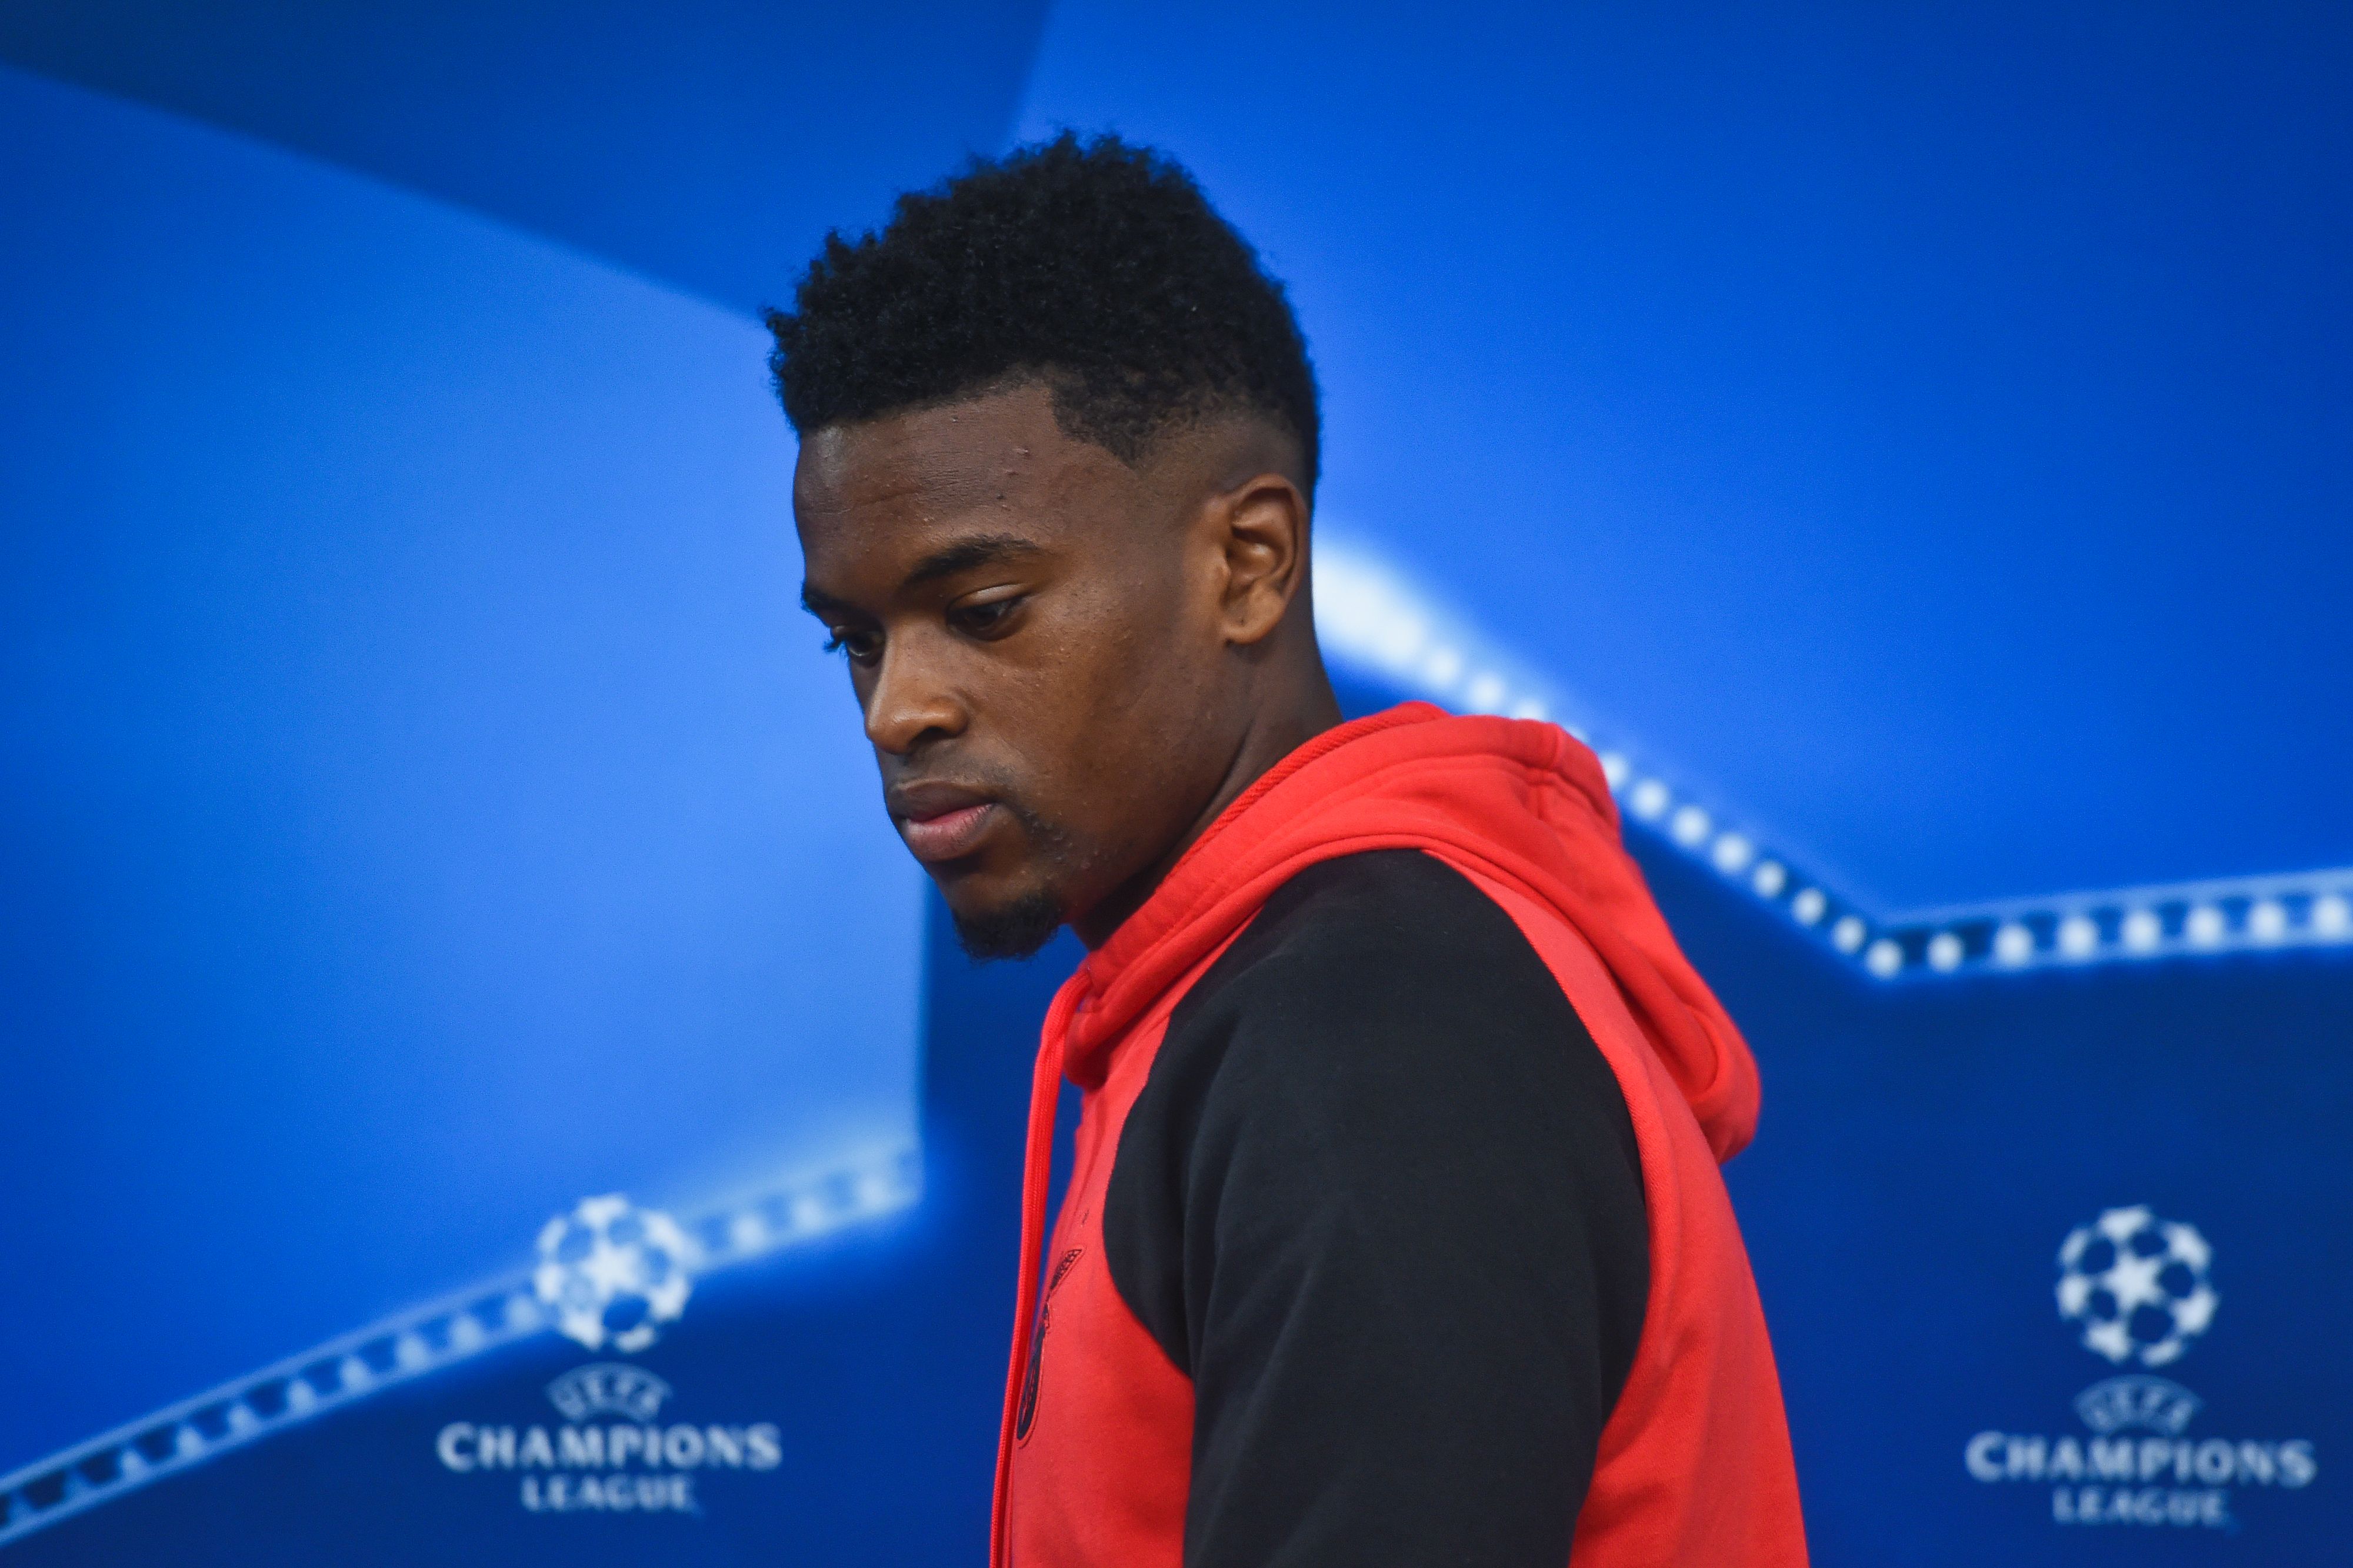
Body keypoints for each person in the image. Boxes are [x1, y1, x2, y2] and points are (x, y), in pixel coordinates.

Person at [768, 133, 1806, 1567]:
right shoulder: (1267, 997)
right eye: (858, 641)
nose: (899, 708)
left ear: (1247, 563)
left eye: (987, 608)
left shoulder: (1375, 1031)